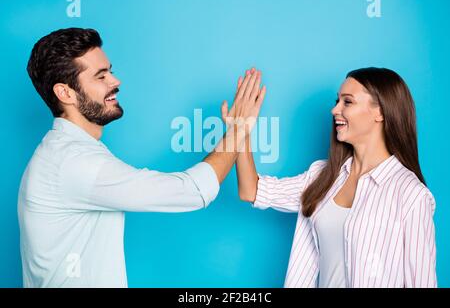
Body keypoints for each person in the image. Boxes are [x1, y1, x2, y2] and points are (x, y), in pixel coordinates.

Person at [19, 27, 266, 287]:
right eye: (100, 76)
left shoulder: (66, 152)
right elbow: (193, 191)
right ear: (65, 93)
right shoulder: (74, 162)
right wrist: (239, 128)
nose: (115, 81)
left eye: (110, 71)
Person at [234, 67, 436, 288]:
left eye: (347, 102)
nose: (334, 110)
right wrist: (241, 127)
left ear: (380, 112)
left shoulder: (410, 194)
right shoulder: (322, 177)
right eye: (337, 101)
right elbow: (251, 190)